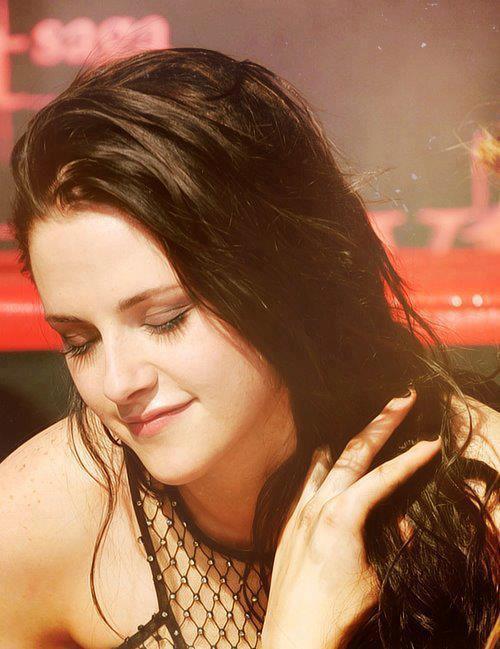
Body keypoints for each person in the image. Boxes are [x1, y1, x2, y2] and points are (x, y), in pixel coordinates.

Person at [0, 47, 498, 649]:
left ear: (279, 283)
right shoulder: (32, 521)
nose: (116, 382)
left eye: (165, 320)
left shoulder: (482, 506)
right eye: (79, 341)